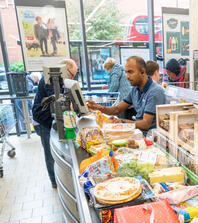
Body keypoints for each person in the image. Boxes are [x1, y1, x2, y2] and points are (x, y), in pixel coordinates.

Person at [87, 56, 166, 136]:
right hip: (137, 133)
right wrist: (99, 108)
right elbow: (117, 109)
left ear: (142, 72)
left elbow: (146, 124)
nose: (127, 76)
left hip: (150, 138)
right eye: (126, 72)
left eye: (130, 72)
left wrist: (122, 122)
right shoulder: (135, 89)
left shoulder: (155, 91)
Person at [32, 59, 78, 189]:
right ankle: (54, 181)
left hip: (50, 118)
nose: (73, 77)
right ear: (64, 70)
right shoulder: (51, 79)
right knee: (49, 151)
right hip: (42, 119)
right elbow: (57, 99)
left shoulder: (63, 81)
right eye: (72, 74)